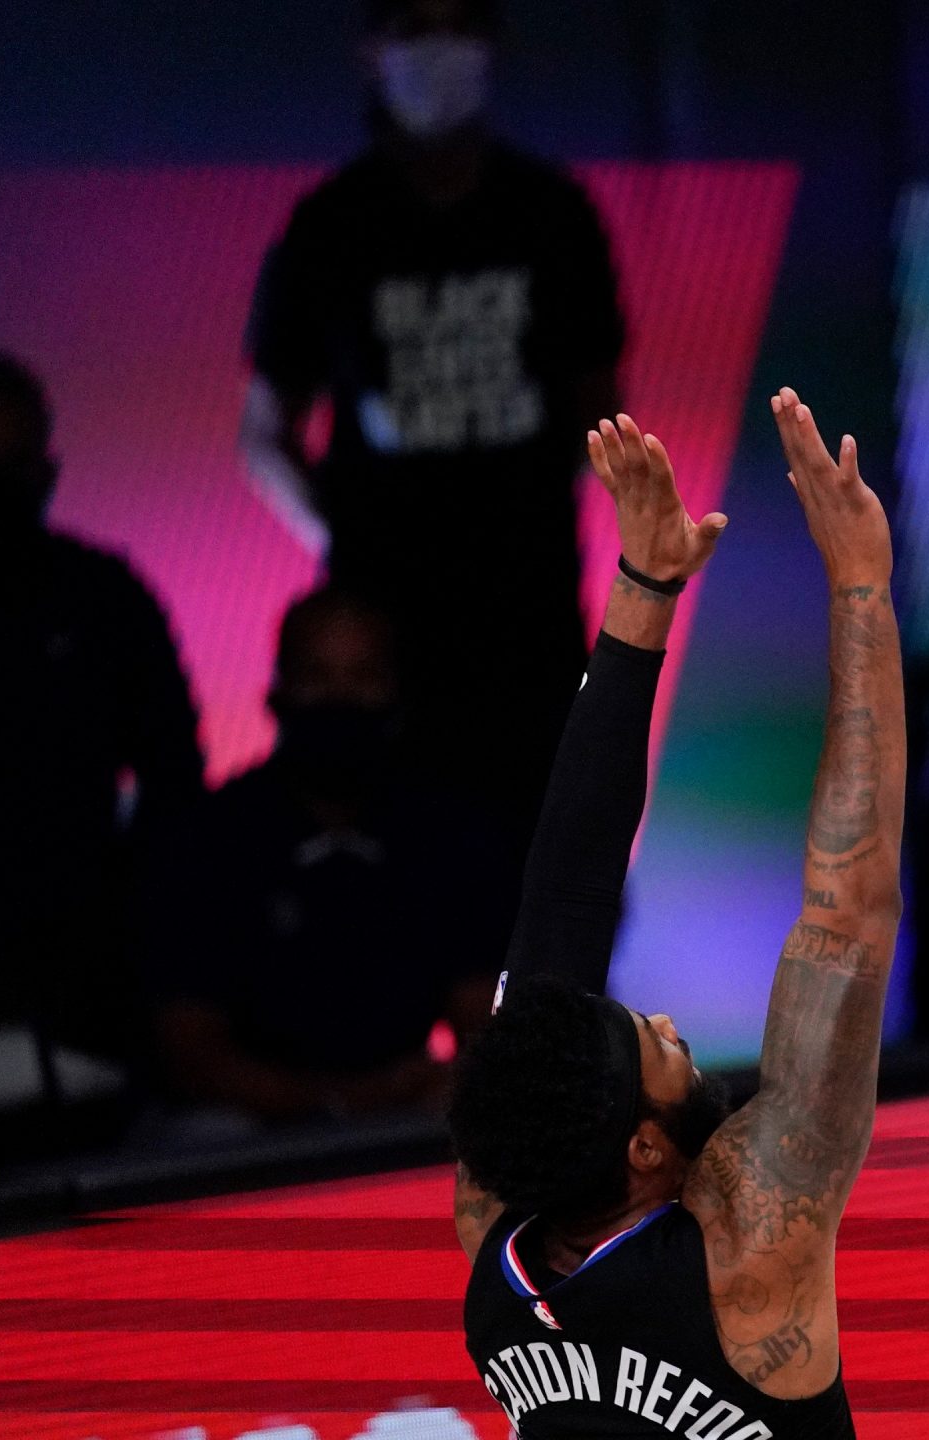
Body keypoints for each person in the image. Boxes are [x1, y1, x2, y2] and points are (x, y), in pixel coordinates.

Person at [447, 397, 897, 1438]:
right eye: (657, 1045)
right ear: (649, 1150)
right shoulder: (747, 1247)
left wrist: (643, 591)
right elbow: (848, 910)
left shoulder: (499, 1222)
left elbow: (563, 893)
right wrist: (860, 586)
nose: (673, 1027)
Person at [243, 0, 626, 860]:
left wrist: (532, 518)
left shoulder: (552, 215)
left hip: (528, 624)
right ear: (373, 52)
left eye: (458, 25)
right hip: (380, 641)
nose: (438, 51)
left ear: (491, 46)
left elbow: (603, 408)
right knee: (382, 873)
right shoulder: (330, 226)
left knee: (548, 866)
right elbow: (263, 435)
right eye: (414, 27)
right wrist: (349, 543)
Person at [148, 588, 511, 1130]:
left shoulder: (446, 835)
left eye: (364, 678)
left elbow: (485, 1028)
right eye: (317, 678)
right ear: (278, 694)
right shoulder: (211, 840)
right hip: (248, 1128)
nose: (341, 699)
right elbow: (190, 1053)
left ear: (397, 695)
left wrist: (441, 1082)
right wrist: (338, 1101)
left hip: (406, 1119)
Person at [0, 351, 203, 1070]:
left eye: (11, 466)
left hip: (84, 965)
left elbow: (175, 779)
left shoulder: (103, 598)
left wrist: (132, 915)